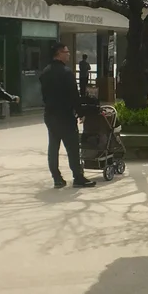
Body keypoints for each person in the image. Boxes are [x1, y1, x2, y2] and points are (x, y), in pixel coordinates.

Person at [39, 43, 95, 188]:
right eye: (66, 52)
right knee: (72, 147)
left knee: (53, 147)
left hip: (50, 114)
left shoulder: (45, 72)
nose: (69, 54)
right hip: (65, 115)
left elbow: (44, 95)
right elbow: (73, 95)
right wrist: (80, 112)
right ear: (59, 53)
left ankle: (57, 178)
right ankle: (78, 177)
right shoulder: (66, 72)